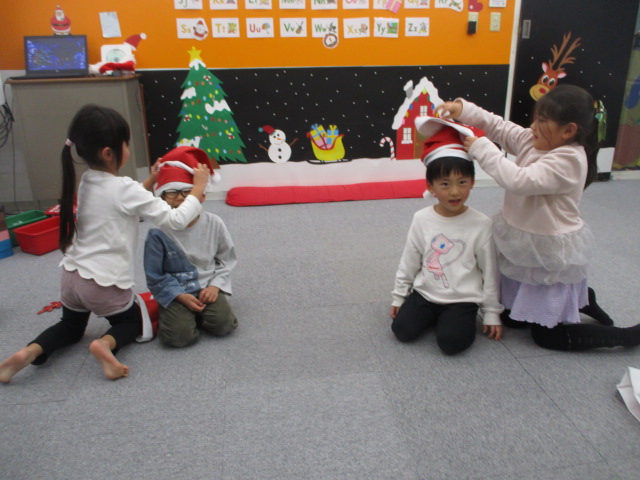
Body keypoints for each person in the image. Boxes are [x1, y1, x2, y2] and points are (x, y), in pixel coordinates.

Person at [0, 105, 210, 383]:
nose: (127, 148)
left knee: (71, 326)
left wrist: (150, 180)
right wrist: (198, 188)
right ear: (109, 153)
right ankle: (104, 345)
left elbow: (122, 200)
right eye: (126, 144)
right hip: (102, 284)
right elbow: (177, 219)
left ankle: (29, 352)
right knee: (131, 321)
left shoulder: (88, 180)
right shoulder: (125, 189)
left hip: (71, 277)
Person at [435, 84, 640, 350]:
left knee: (546, 336)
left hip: (547, 249)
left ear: (568, 131)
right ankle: (581, 298)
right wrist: (462, 110)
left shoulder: (569, 159)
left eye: (542, 121)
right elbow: (500, 127)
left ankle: (625, 337)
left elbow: (519, 180)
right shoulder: (535, 139)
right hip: (523, 238)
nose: (532, 126)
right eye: (535, 118)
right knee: (512, 317)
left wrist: (482, 148)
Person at [391, 118, 503, 355]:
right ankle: (435, 316)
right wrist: (399, 296)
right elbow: (410, 259)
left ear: (472, 182)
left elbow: (490, 270)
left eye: (462, 182)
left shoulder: (481, 223)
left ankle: (450, 320)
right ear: (430, 186)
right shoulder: (421, 218)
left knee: (452, 344)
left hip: (462, 298)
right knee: (401, 330)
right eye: (445, 184)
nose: (455, 191)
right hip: (426, 292)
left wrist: (491, 312)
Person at [143, 146, 238, 348]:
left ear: (201, 196)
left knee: (224, 325)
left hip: (207, 285)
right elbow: (154, 275)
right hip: (176, 291)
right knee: (178, 338)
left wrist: (215, 286)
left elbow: (226, 259)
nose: (179, 198)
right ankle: (182, 315)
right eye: (171, 193)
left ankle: (192, 315)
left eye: (187, 192)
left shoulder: (214, 223)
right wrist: (178, 296)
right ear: (162, 197)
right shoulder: (157, 233)